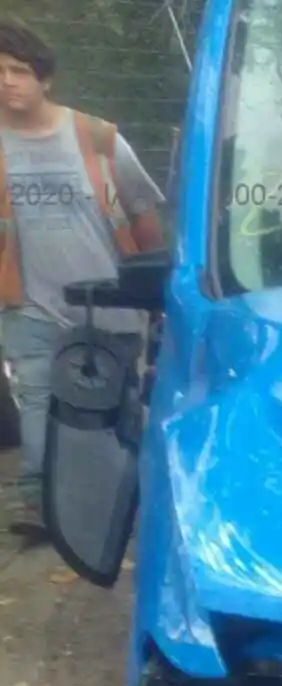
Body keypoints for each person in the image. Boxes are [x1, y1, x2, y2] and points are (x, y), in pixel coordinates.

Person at [0, 18, 164, 542]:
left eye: (19, 71)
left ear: (45, 78)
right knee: (39, 399)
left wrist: (157, 282)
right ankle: (40, 502)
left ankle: (119, 499)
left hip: (109, 297)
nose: (7, 81)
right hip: (28, 302)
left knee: (115, 401)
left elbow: (143, 213)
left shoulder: (96, 137)